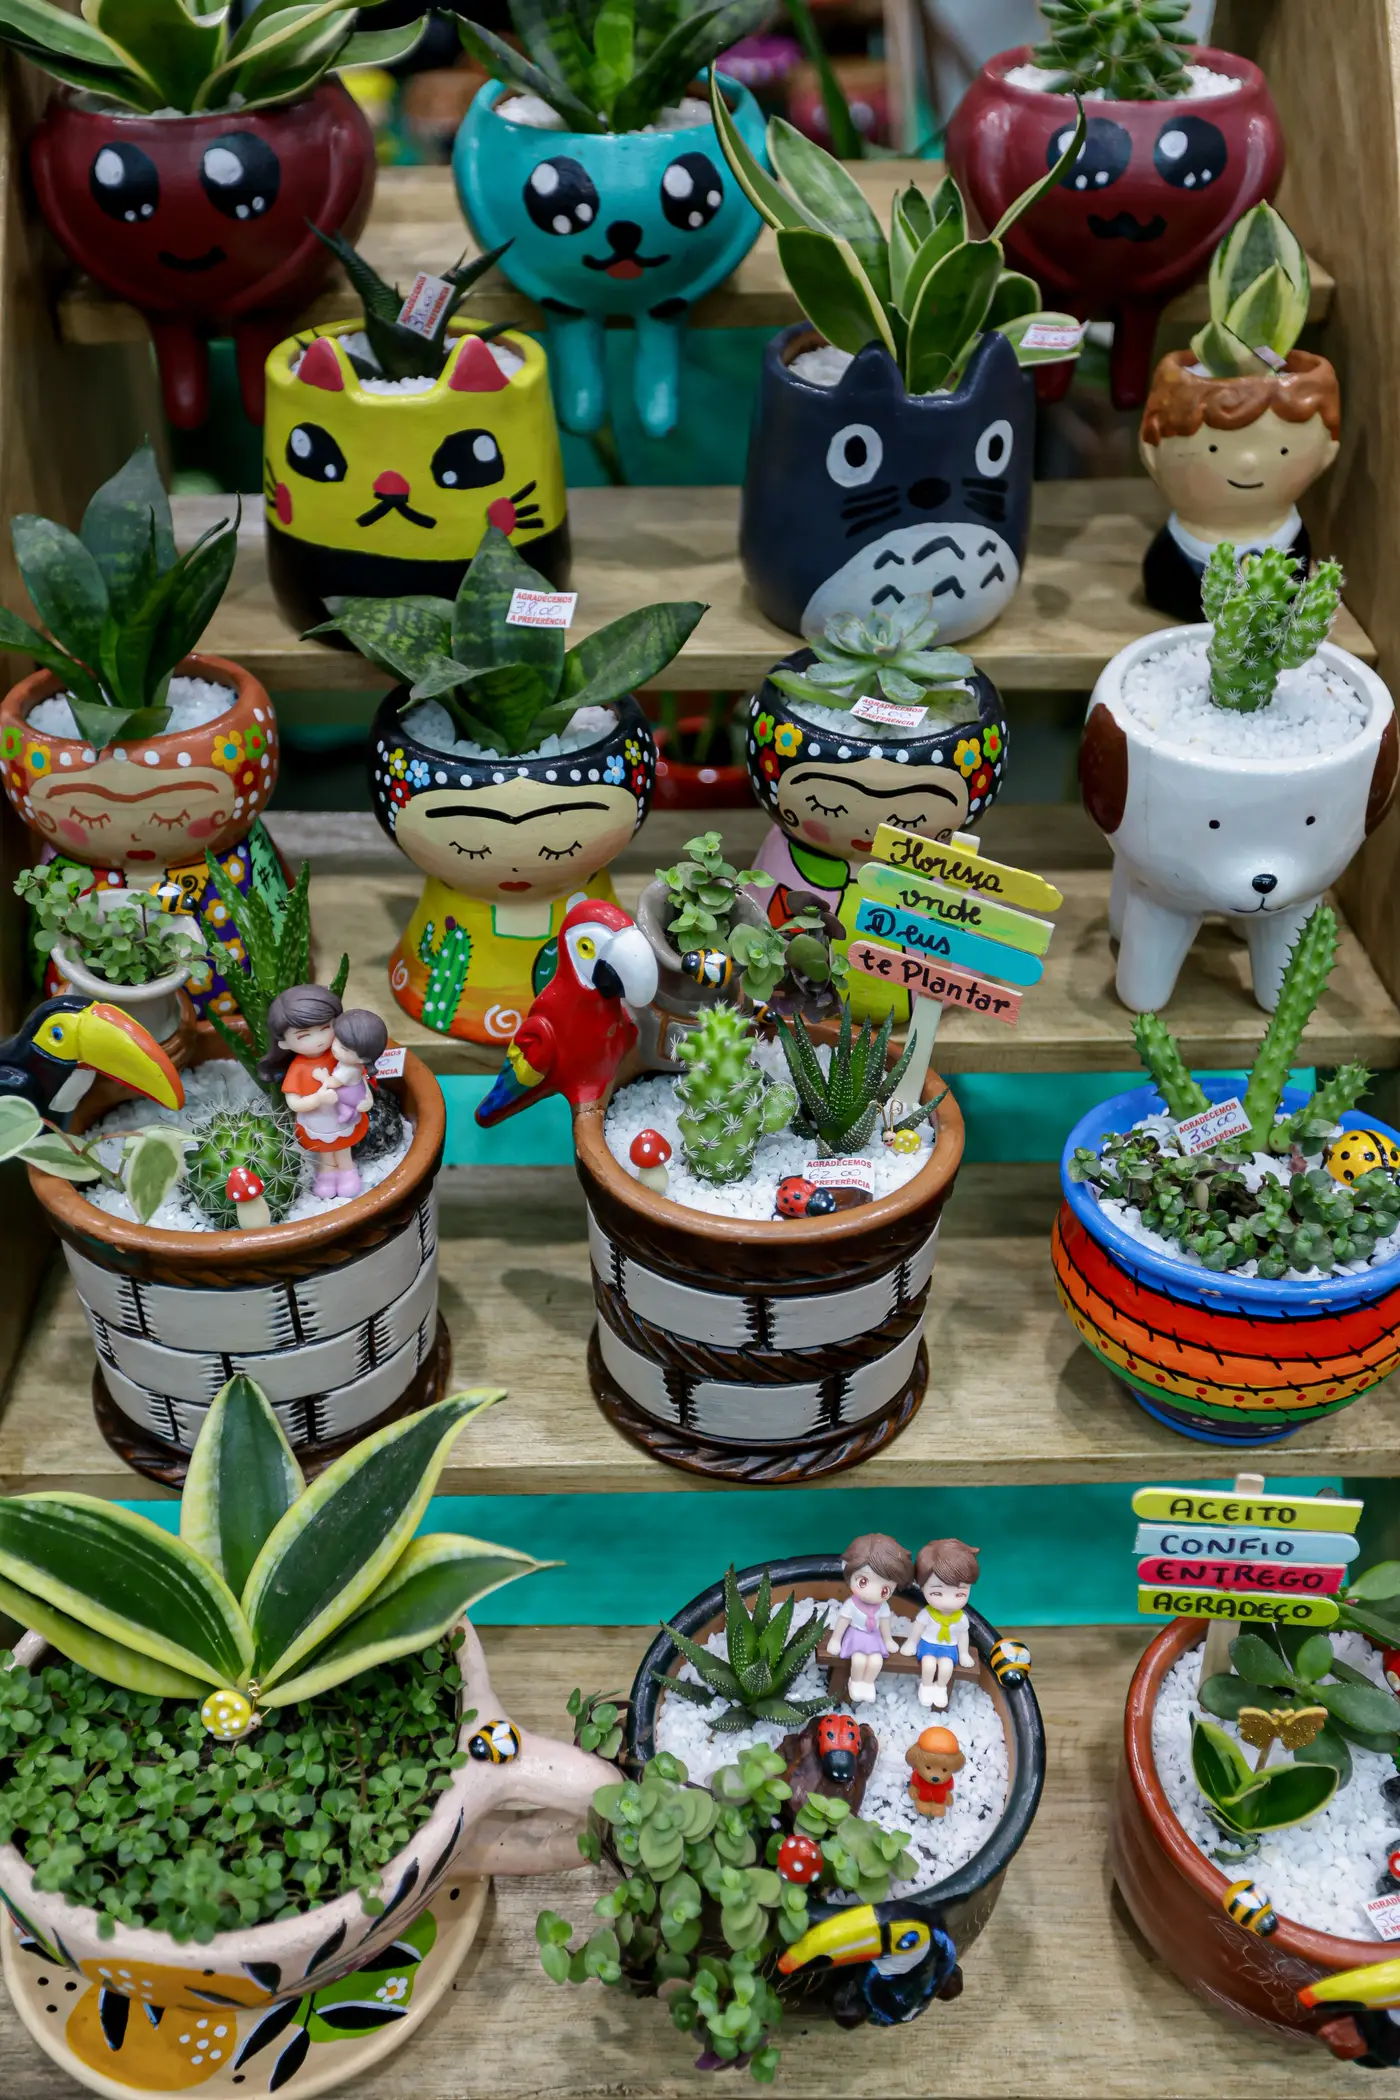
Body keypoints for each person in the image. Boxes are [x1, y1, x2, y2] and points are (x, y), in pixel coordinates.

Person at [258, 984, 380, 1201]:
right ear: (284, 1043)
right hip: (319, 1119)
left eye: (326, 1028)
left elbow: (359, 1078)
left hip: (344, 1116)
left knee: (343, 1147)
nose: (319, 1040)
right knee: (325, 1151)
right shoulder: (298, 1068)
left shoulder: (341, 1053)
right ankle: (327, 1175)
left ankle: (347, 1171)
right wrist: (317, 1099)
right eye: (304, 1035)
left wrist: (367, 1098)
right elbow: (294, 1102)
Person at [826, 1532, 913, 1703]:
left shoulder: (883, 1607)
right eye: (863, 1581)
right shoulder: (851, 1605)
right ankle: (855, 1681)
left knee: (876, 1661)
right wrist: (835, 1640)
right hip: (856, 1635)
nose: (872, 1593)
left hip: (873, 1638)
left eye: (885, 1589)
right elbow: (843, 1622)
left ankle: (868, 1683)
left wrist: (888, 1640)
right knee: (858, 1659)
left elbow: (885, 1625)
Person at [903, 1538, 979, 1710]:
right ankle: (926, 1686)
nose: (948, 1601)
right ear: (922, 1587)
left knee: (946, 1667)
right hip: (928, 1644)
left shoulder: (960, 1619)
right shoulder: (927, 1614)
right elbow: (918, 1628)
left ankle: (940, 1688)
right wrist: (911, 1643)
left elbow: (962, 1635)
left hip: (948, 1647)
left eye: (959, 1594)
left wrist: (964, 1653)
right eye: (937, 1593)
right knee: (928, 1665)